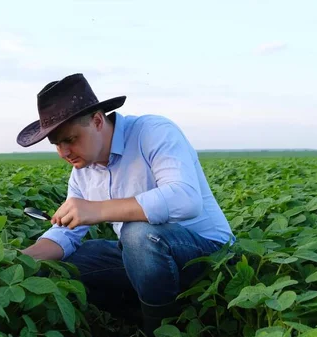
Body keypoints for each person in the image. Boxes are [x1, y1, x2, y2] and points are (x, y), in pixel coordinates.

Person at [16, 73, 235, 336]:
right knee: (72, 261)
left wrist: (97, 210)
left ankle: (161, 329)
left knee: (138, 233)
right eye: (56, 144)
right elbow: (65, 232)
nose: (63, 152)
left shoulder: (152, 132)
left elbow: (185, 199)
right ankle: (149, 313)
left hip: (208, 253)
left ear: (97, 120)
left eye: (70, 139)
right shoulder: (82, 173)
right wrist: (19, 263)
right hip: (142, 259)